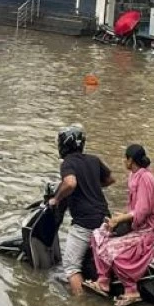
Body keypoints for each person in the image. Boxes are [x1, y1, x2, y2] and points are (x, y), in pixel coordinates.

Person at [87, 144, 154, 306]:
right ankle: (103, 281)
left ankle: (131, 290)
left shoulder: (146, 178)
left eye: (125, 158)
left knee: (114, 250)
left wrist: (122, 219)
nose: (124, 161)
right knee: (98, 235)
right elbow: (134, 208)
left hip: (148, 229)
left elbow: (143, 211)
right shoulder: (134, 175)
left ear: (131, 160)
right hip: (136, 224)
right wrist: (120, 217)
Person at [47, 125, 115, 296]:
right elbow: (110, 179)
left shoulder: (68, 163)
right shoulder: (93, 159)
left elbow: (70, 183)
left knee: (70, 266)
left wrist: (56, 199)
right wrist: (91, 183)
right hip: (105, 217)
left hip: (85, 222)